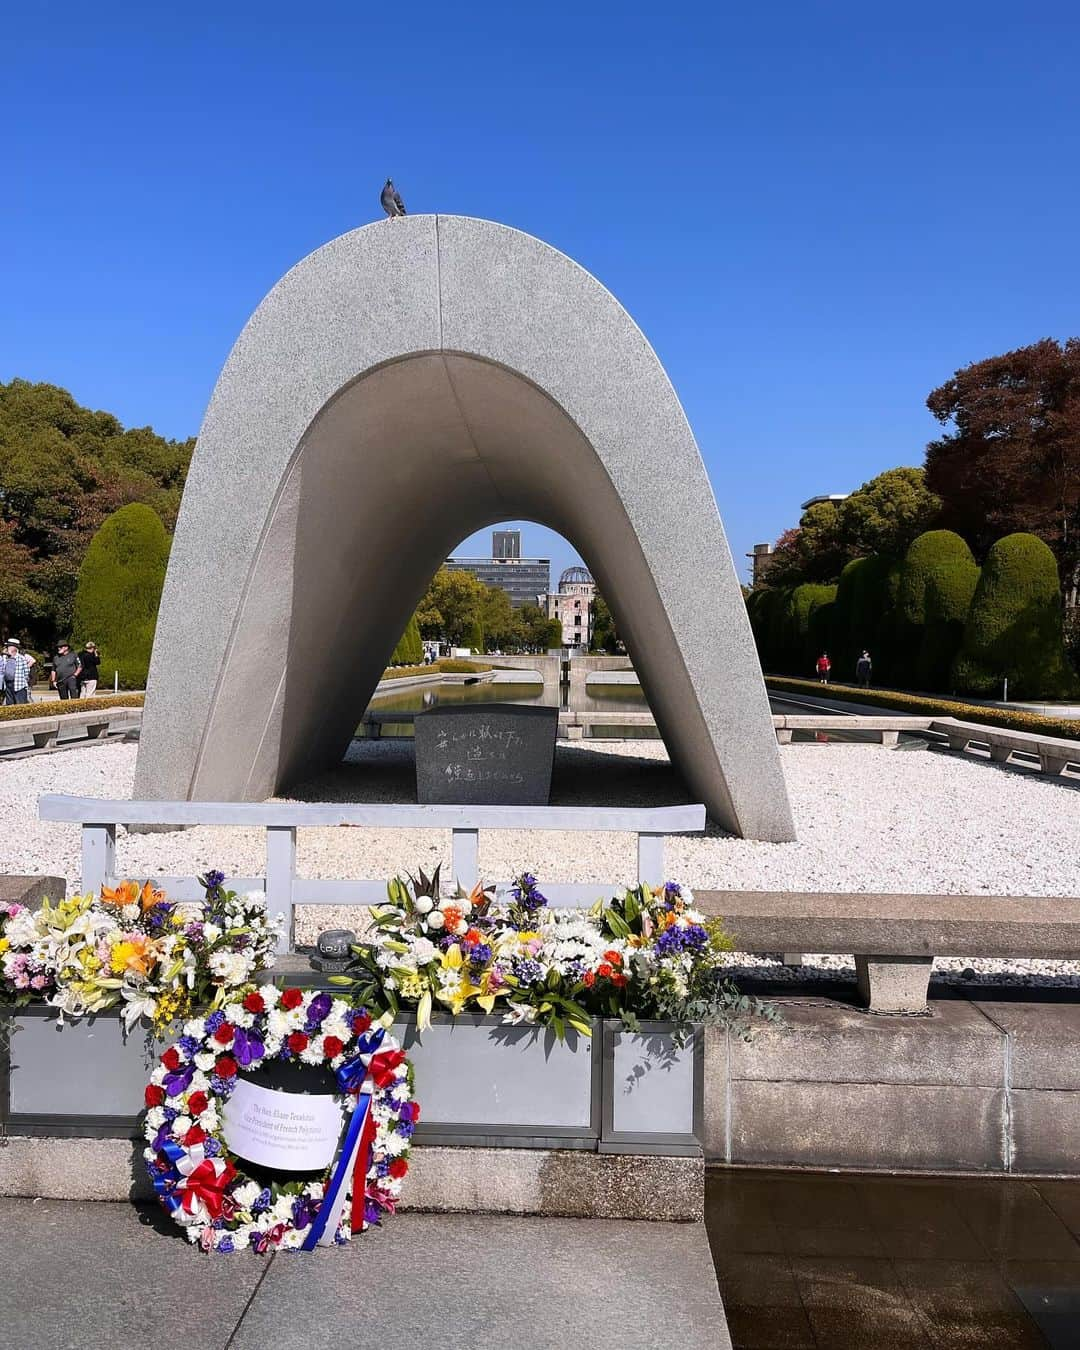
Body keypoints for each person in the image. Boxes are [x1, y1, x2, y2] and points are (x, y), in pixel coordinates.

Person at [1, 638, 35, 705]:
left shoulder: (21, 658)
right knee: (9, 705)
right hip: (8, 684)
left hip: (19, 685)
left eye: (8, 646)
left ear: (14, 648)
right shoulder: (5, 657)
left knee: (20, 704)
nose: (7, 648)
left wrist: (23, 681)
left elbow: (26, 672)